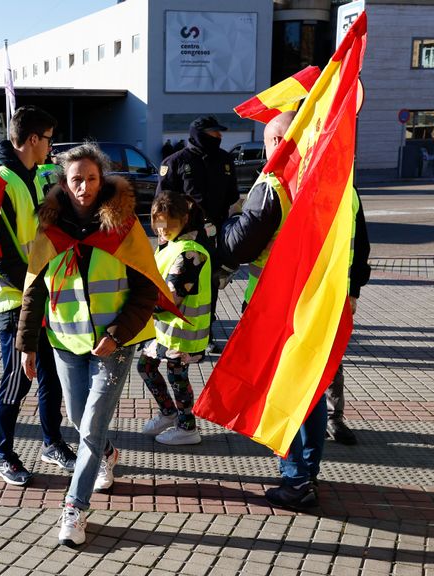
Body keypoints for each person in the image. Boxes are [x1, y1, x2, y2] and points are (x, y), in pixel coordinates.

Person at [219, 111, 370, 508]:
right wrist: (351, 290)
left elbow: (239, 246)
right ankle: (304, 473)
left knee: (292, 391)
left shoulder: (275, 185)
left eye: (272, 140)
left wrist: (227, 223)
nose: (270, 148)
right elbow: (362, 247)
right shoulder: (342, 185)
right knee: (311, 390)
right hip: (325, 305)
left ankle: (298, 480)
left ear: (284, 140)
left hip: (281, 306)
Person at [17, 143, 163, 547]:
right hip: (65, 341)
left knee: (91, 425)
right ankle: (108, 454)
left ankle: (74, 508)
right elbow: (33, 292)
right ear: (64, 181)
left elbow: (146, 289)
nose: (84, 187)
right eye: (76, 179)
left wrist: (116, 333)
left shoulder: (124, 225)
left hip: (112, 344)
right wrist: (27, 346)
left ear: (103, 180)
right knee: (82, 421)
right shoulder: (48, 226)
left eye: (91, 179)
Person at [0, 106, 77, 486]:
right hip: (14, 302)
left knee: (50, 376)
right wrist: (31, 292)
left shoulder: (33, 175)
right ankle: (1, 455)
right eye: (50, 139)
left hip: (43, 296)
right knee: (16, 379)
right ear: (34, 139)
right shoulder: (2, 180)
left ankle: (51, 442)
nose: (51, 147)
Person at [158, 115, 238, 353]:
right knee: (179, 285)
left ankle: (207, 330)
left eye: (219, 133)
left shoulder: (225, 160)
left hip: (215, 236)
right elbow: (162, 203)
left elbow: (233, 199)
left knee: (209, 284)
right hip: (185, 238)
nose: (219, 137)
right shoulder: (175, 161)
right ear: (199, 134)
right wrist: (164, 238)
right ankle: (168, 331)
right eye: (214, 133)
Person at [137, 190, 210, 446]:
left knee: (177, 375)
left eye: (169, 226)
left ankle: (187, 426)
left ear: (184, 219)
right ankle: (169, 412)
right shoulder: (169, 246)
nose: (163, 231)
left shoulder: (190, 252)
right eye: (159, 225)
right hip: (164, 329)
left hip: (182, 330)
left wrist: (136, 306)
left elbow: (171, 297)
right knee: (145, 366)